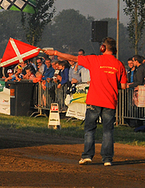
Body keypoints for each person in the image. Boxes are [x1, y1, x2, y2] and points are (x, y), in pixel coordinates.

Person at [45, 38, 127, 166]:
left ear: (102, 48)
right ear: (114, 50)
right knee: (108, 131)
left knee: (90, 129)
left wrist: (55, 53)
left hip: (94, 100)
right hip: (110, 101)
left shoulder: (95, 60)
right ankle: (107, 159)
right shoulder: (119, 64)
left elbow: (72, 58)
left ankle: (87, 156)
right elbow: (123, 86)